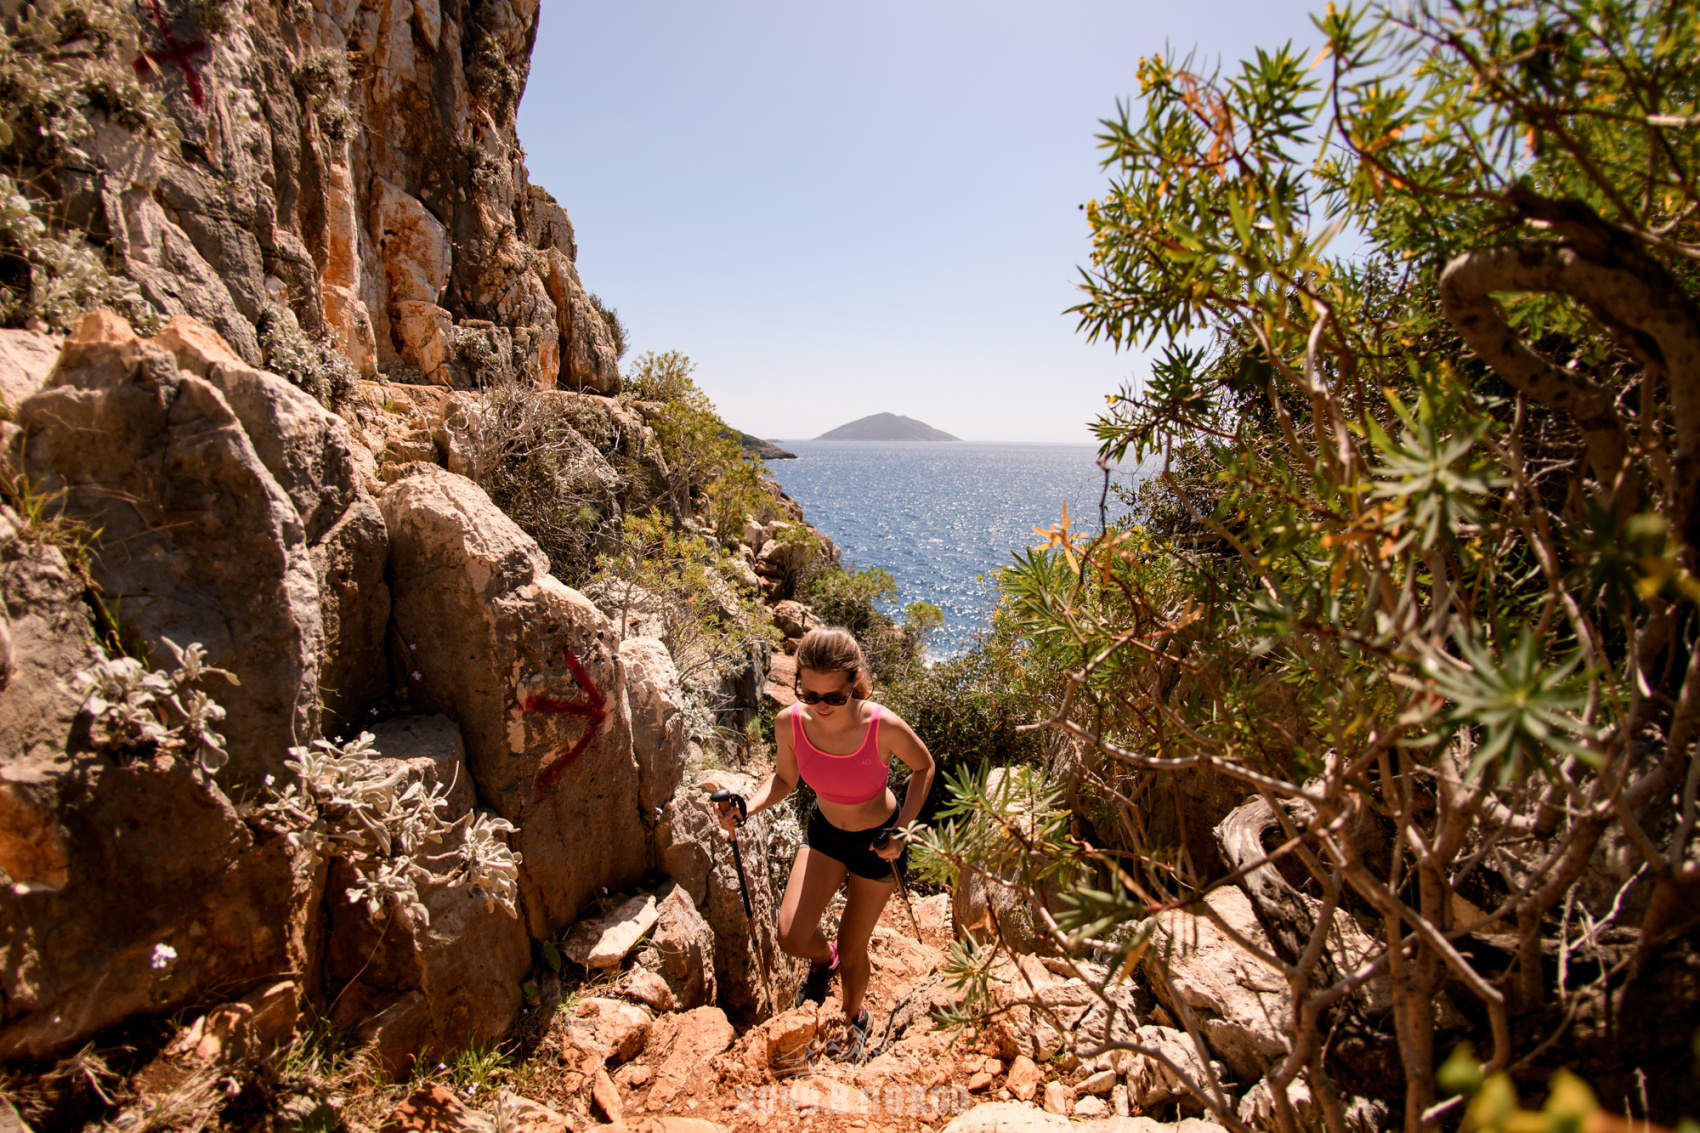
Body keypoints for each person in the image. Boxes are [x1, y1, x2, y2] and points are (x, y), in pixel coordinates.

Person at [713, 625, 935, 1061]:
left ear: (853, 683)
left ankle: (854, 1021)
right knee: (791, 936)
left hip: (878, 842)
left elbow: (923, 767)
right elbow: (783, 779)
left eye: (834, 697)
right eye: (810, 695)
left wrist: (903, 832)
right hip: (826, 834)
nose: (822, 706)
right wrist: (747, 807)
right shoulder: (790, 723)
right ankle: (823, 960)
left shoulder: (880, 724)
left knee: (856, 951)